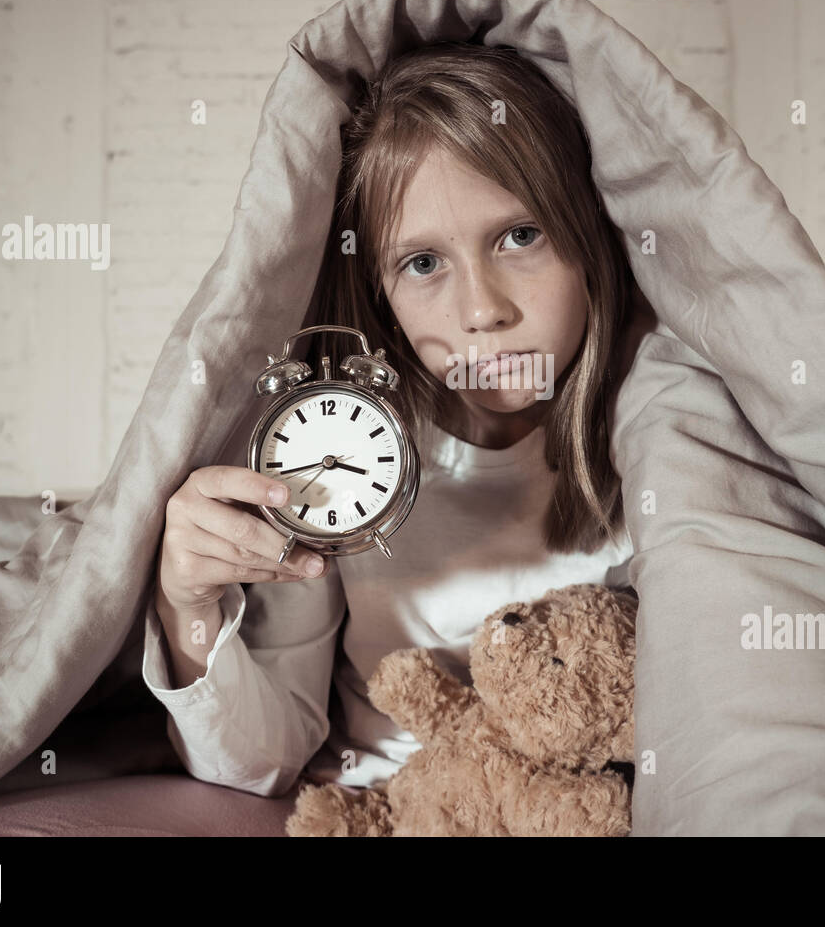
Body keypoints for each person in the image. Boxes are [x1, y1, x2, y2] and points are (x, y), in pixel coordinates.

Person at [141, 42, 645, 797]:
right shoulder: (332, 456)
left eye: (521, 235)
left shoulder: (661, 437)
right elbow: (260, 759)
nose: (483, 311)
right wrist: (187, 605)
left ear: (590, 238)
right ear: (379, 293)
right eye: (423, 264)